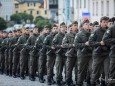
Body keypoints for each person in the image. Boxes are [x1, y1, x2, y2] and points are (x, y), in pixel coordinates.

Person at [89, 16, 109, 86]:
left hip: (106, 54)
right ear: (101, 22)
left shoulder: (109, 30)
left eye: (106, 22)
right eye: (104, 22)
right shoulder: (96, 31)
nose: (105, 24)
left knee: (107, 71)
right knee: (95, 71)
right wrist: (99, 43)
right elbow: (90, 42)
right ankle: (92, 83)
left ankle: (104, 83)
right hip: (97, 54)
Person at [62, 21, 78, 86]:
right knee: (69, 69)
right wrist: (72, 45)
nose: (76, 26)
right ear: (71, 26)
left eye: (77, 25)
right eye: (74, 25)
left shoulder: (79, 34)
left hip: (78, 54)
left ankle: (78, 81)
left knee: (78, 69)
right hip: (70, 54)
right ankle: (68, 81)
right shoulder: (68, 35)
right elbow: (64, 44)